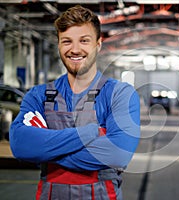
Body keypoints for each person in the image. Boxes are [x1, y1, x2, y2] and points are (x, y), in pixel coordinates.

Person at [9, 5, 140, 200]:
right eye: (67, 41)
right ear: (59, 45)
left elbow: (118, 154)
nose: (75, 49)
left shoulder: (119, 94)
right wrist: (89, 133)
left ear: (98, 44)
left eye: (84, 41)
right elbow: (21, 146)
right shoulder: (38, 96)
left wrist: (46, 149)